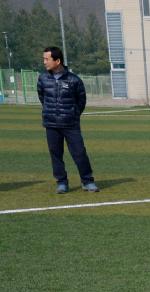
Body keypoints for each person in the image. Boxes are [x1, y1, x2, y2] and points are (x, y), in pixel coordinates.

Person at [37, 46, 97, 194]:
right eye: (43, 59)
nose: (44, 62)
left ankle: (87, 181)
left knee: (79, 153)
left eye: (47, 59)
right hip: (51, 123)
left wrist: (73, 114)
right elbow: (42, 97)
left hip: (70, 124)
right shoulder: (43, 78)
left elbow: (81, 101)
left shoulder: (74, 80)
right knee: (56, 154)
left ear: (57, 61)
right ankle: (62, 182)